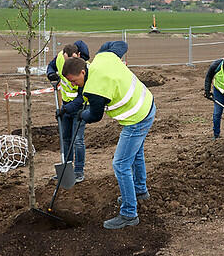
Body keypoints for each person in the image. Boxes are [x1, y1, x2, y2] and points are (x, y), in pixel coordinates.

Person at [61, 41, 155, 230]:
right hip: (147, 103)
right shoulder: (102, 58)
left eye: (73, 81)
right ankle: (139, 190)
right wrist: (67, 109)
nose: (72, 85)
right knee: (136, 154)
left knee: (120, 164)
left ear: (82, 72)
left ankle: (129, 214)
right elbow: (120, 45)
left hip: (137, 118)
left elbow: (95, 116)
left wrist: (81, 115)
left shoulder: (95, 89)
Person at [46, 40, 90, 182]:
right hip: (66, 105)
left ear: (78, 55)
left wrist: (65, 109)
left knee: (77, 140)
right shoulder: (60, 57)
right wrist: (51, 73)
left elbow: (82, 98)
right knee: (65, 138)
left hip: (80, 107)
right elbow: (51, 66)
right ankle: (67, 169)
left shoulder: (85, 68)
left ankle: (78, 171)